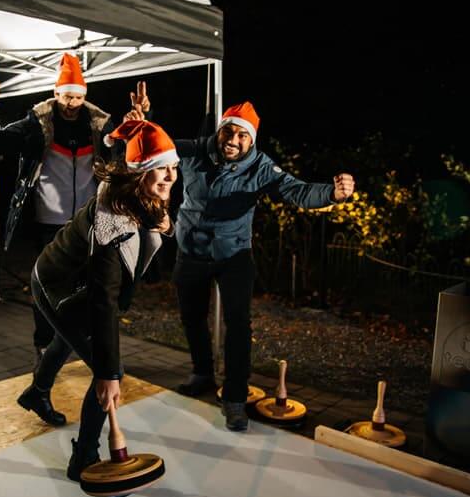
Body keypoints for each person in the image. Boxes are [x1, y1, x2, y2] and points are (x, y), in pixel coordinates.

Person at [125, 97, 355, 432]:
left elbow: (297, 192)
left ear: (252, 140)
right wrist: (144, 122)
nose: (233, 140)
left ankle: (234, 398)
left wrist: (332, 195)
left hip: (234, 254)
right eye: (228, 132)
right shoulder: (195, 150)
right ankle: (202, 373)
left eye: (242, 136)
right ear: (219, 132)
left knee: (238, 324)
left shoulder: (261, 166)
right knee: (191, 318)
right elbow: (155, 147)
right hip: (191, 249)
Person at [0, 55, 150, 426]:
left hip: (88, 224)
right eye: (65, 96)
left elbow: (133, 155)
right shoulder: (37, 124)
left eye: (76, 97)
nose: (71, 103)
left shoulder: (101, 126)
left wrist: (138, 124)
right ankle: (48, 356)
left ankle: (42, 383)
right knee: (52, 298)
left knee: (82, 302)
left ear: (83, 96)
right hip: (47, 222)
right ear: (55, 93)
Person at [30, 119, 177, 480]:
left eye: (174, 167)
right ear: (139, 172)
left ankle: (37, 391)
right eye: (161, 168)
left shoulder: (142, 198)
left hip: (75, 283)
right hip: (57, 285)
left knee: (68, 341)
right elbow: (103, 300)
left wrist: (167, 227)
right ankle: (83, 457)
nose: (171, 176)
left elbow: (154, 247)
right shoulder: (113, 221)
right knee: (106, 369)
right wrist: (109, 372)